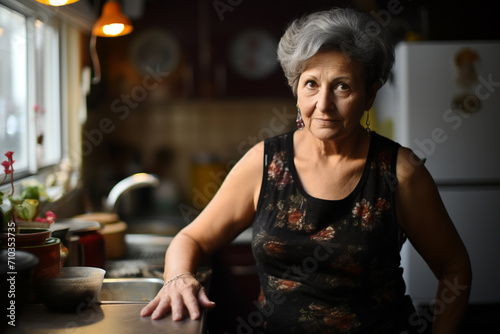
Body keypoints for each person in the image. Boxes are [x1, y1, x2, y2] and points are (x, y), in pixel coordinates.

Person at [141, 7, 472, 333]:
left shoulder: (399, 172)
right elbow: (191, 238)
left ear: (370, 94)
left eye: (343, 86)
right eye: (311, 84)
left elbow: (454, 267)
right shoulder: (265, 163)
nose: (324, 104)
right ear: (296, 89)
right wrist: (178, 277)